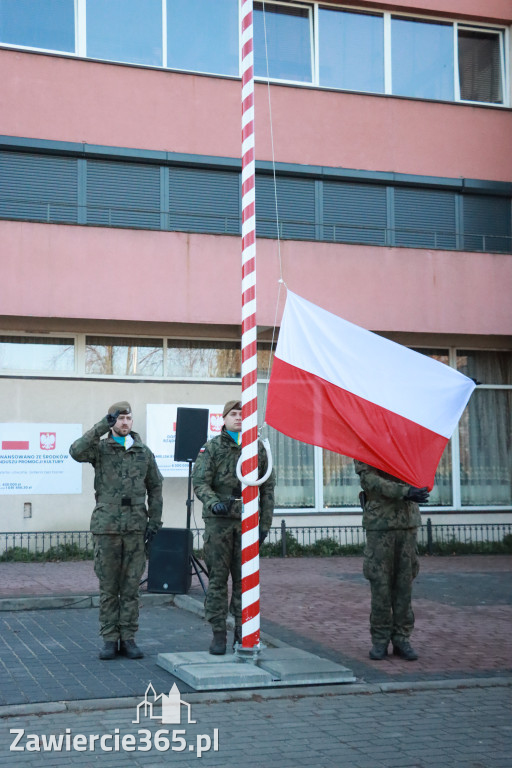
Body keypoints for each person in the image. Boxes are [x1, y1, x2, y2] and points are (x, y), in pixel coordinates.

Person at [69, 402, 163, 660]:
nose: (124, 422)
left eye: (127, 418)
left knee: (131, 587)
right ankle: (110, 639)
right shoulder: (100, 449)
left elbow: (155, 487)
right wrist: (101, 425)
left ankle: (129, 638)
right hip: (107, 526)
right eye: (119, 418)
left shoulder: (143, 452)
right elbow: (75, 451)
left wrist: (155, 522)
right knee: (109, 587)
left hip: (135, 527)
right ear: (112, 421)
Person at [192, 399, 275, 655]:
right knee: (218, 580)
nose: (239, 418)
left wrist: (265, 525)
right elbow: (200, 482)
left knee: (244, 581)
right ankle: (219, 633)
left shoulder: (256, 447)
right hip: (219, 523)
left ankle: (243, 631)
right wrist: (214, 502)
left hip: (247, 522)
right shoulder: (212, 448)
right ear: (224, 418)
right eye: (234, 414)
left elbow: (268, 487)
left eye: (243, 414)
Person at [354, 460, 429, 662]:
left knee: (404, 586)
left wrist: (419, 487)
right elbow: (369, 480)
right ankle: (380, 640)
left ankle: (402, 639)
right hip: (380, 523)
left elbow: (422, 468)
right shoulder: (367, 442)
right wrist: (404, 491)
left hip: (407, 523)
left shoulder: (407, 441)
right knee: (381, 586)